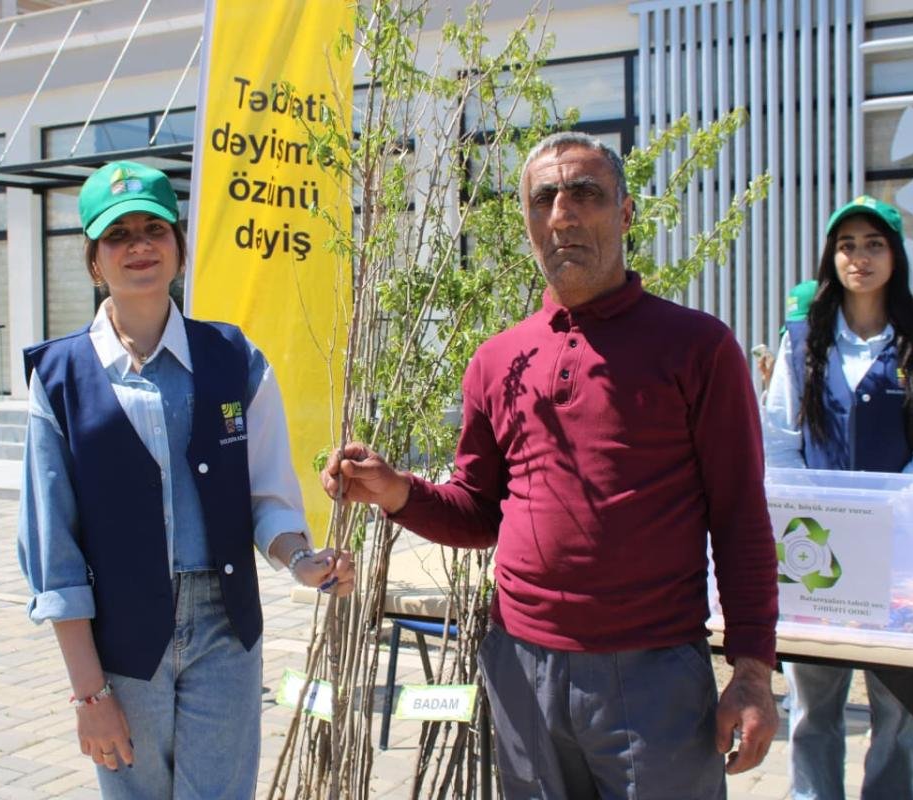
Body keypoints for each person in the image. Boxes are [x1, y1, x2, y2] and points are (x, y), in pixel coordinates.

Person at [321, 132, 779, 799]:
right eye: (544, 199)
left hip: (654, 675)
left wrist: (753, 671)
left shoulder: (697, 347)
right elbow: (480, 513)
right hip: (521, 667)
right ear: (528, 223)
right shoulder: (497, 360)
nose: (563, 215)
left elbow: (741, 519)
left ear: (625, 213)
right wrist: (395, 491)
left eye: (585, 193)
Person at [16, 161, 354, 799]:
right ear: (94, 261)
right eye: (118, 235)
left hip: (225, 630)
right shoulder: (58, 378)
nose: (139, 246)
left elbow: (266, 496)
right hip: (122, 640)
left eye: (154, 229)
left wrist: (300, 559)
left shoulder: (234, 358)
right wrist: (89, 694)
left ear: (178, 245)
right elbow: (52, 550)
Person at [763, 195, 913, 799]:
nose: (859, 257)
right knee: (813, 706)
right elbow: (780, 441)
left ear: (895, 256)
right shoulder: (803, 341)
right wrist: (822, 513)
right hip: (815, 551)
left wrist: (893, 508)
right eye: (846, 245)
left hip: (898, 552)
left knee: (898, 710)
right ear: (832, 258)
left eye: (874, 244)